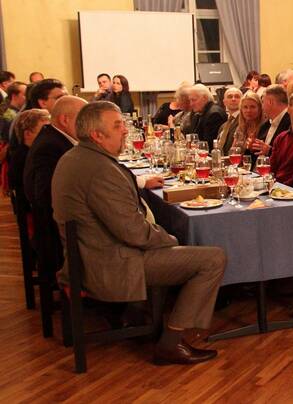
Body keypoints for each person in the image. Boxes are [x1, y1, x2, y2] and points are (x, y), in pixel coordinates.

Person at [51, 101, 226, 365]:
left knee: (170, 242)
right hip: (109, 264)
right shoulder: (99, 170)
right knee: (212, 259)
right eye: (117, 126)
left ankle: (139, 315)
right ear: (97, 135)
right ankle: (171, 344)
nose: (124, 130)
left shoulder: (77, 157)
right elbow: (134, 232)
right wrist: (170, 239)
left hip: (91, 255)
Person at [24, 96, 87, 278]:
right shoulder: (51, 146)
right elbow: (45, 197)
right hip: (57, 236)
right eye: (83, 118)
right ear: (65, 120)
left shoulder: (54, 138)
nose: (88, 124)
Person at [7, 109, 50, 216]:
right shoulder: (23, 156)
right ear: (27, 134)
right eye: (44, 131)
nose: (49, 135)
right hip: (29, 211)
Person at [253, 84, 291, 155]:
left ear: (270, 102)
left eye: (263, 102)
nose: (262, 107)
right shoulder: (266, 124)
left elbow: (290, 154)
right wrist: (251, 147)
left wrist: (269, 151)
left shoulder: (291, 122)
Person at [188, 84, 226, 150]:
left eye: (194, 100)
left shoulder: (214, 115)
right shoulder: (197, 114)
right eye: (190, 100)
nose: (191, 104)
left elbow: (209, 145)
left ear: (205, 98)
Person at [231, 92, 264, 158]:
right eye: (245, 107)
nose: (248, 110)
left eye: (252, 107)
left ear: (260, 109)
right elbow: (233, 151)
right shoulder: (240, 128)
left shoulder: (265, 128)